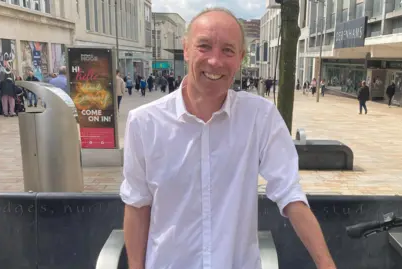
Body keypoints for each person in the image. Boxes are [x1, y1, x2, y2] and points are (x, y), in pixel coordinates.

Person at [120, 7, 336, 269]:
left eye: (228, 50)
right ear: (186, 48)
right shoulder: (144, 123)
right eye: (204, 46)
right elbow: (137, 205)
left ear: (241, 58)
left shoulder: (259, 117)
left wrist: (326, 263)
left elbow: (289, 192)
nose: (215, 60)